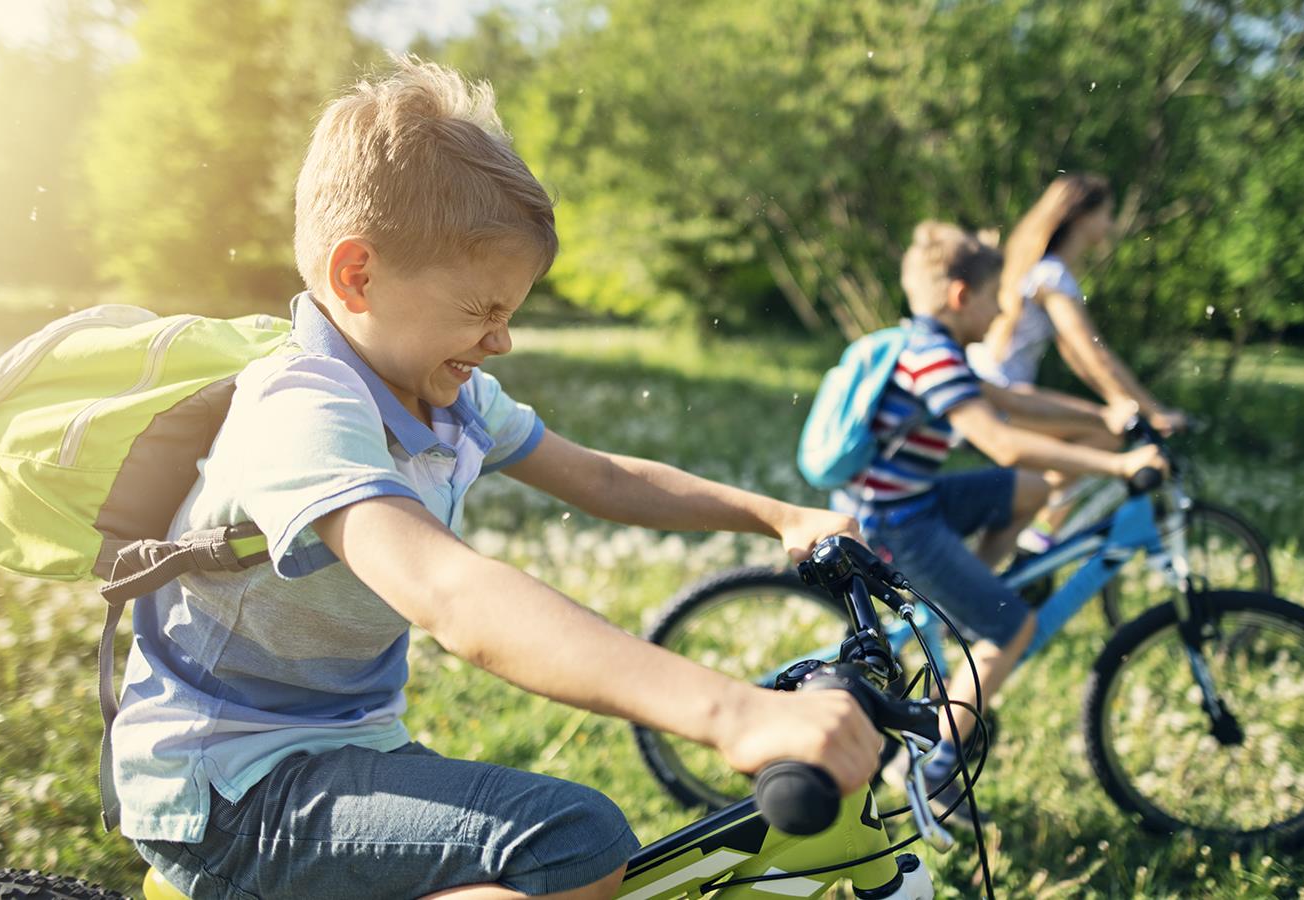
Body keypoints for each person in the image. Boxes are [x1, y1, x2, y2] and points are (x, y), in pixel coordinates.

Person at [112, 56, 883, 900]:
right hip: (227, 788)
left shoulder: (455, 399)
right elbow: (450, 593)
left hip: (345, 749)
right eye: (484, 311)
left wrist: (776, 516)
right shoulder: (303, 407)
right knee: (570, 842)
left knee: (566, 850)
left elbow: (605, 480)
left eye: (510, 314)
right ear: (356, 276)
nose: (501, 341)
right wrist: (732, 712)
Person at [831, 221, 1165, 826]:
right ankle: (932, 773)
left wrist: (1112, 415)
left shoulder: (931, 344)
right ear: (961, 296)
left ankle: (961, 607)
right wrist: (1117, 463)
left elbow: (1011, 400)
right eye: (995, 299)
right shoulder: (932, 356)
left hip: (915, 500)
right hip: (896, 521)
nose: (1002, 312)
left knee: (1032, 492)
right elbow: (1002, 440)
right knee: (1013, 628)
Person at [970, 174, 1187, 551]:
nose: (1111, 225)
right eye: (1107, 214)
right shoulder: (1052, 275)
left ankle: (1033, 525)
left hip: (995, 385)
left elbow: (1077, 356)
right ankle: (1039, 533)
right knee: (1107, 432)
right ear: (1081, 217)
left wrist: (1121, 400)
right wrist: (1153, 411)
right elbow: (1093, 352)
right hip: (1001, 392)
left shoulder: (1043, 270)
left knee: (1103, 431)